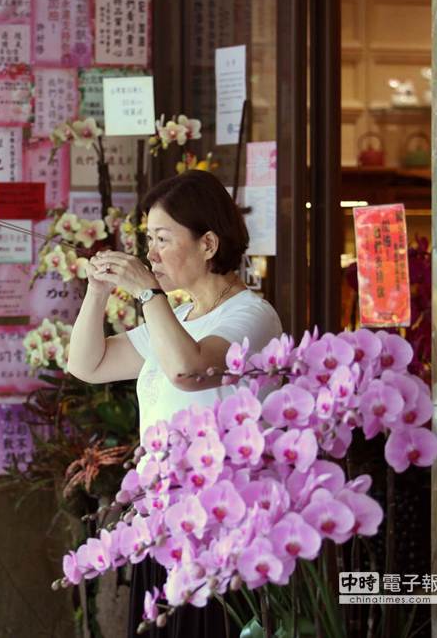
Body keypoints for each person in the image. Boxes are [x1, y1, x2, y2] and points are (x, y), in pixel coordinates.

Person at [66, 170, 283, 637]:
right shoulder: (178, 314)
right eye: (148, 239)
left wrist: (149, 293)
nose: (151, 253)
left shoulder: (252, 314)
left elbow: (192, 370)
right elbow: (88, 364)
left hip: (220, 532)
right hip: (161, 523)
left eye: (163, 238)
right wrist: (98, 292)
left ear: (208, 243)